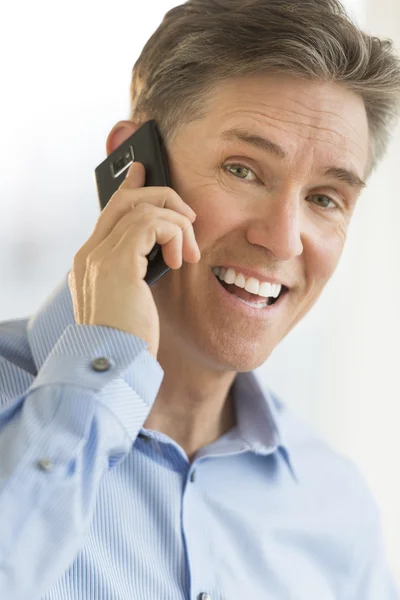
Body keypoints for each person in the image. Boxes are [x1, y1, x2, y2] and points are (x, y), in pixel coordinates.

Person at [1, 0, 400, 598]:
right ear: (131, 166)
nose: (283, 238)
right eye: (244, 170)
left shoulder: (335, 509)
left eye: (324, 199)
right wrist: (99, 368)